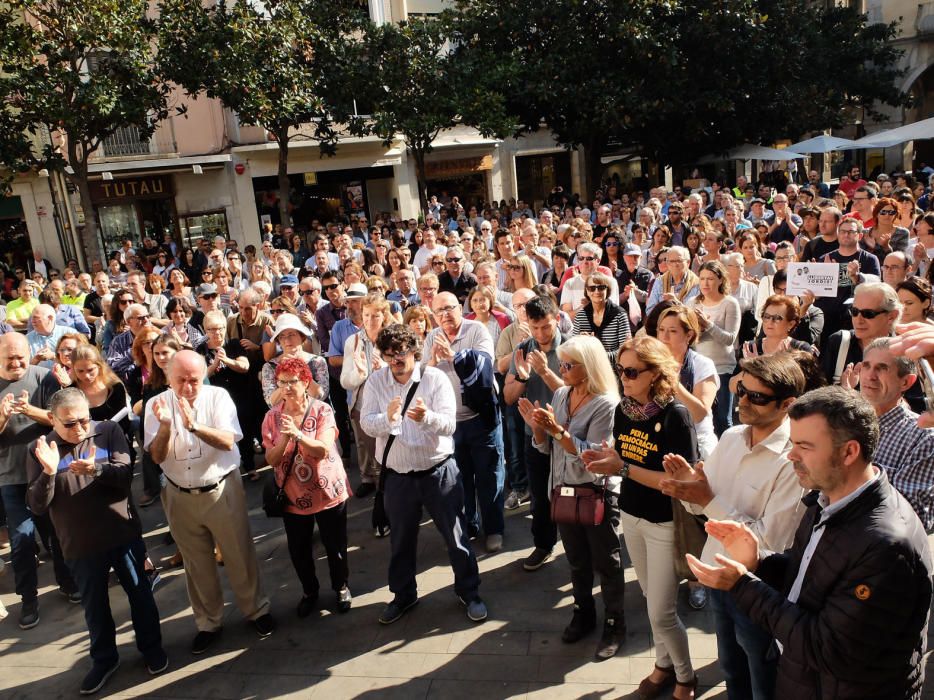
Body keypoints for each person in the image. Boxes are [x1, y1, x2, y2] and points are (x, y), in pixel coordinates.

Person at [689, 386, 933, 700]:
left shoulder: (887, 547)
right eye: (792, 443)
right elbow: (811, 571)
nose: (791, 455)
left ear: (848, 452)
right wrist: (760, 561)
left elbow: (824, 647)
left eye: (804, 446)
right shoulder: (827, 497)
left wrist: (742, 585)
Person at [661, 353, 807, 700]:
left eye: (757, 397)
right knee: (731, 666)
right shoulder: (731, 437)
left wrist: (706, 497)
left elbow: (769, 540)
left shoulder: (794, 460)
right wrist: (686, 489)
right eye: (742, 390)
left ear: (788, 404)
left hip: (758, 588)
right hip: (717, 576)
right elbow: (702, 504)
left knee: (763, 672)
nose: (742, 400)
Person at [26, 388, 167, 695]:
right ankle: (104, 660)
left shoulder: (107, 431)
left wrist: (97, 469)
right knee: (95, 607)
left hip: (123, 535)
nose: (80, 429)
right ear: (52, 419)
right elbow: (37, 505)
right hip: (79, 545)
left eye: (84, 420)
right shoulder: (40, 449)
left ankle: (152, 649)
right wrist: (49, 473)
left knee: (141, 595)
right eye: (70, 423)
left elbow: (125, 474)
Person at [582, 336, 699, 699]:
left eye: (632, 371)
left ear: (655, 372)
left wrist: (624, 468)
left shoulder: (675, 415)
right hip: (631, 516)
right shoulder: (624, 410)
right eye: (621, 370)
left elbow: (679, 481)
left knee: (662, 612)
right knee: (651, 600)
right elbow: (624, 456)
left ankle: (686, 677)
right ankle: (663, 665)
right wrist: (608, 459)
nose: (624, 378)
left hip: (664, 522)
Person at [144, 350, 275, 654]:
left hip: (221, 488)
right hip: (179, 494)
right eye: (181, 381)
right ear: (168, 377)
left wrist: (194, 427)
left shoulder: (217, 397)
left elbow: (229, 440)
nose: (188, 387)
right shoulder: (155, 405)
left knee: (239, 553)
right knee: (196, 563)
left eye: (194, 380)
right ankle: (208, 622)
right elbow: (157, 456)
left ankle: (256, 610)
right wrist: (166, 426)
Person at [359, 324, 487, 624]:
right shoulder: (376, 381)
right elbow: (366, 424)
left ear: (414, 352)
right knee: (401, 540)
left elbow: (450, 425)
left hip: (437, 472)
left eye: (401, 354)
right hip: (398, 476)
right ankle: (403, 595)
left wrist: (426, 417)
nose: (395, 361)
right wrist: (388, 419)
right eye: (389, 355)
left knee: (456, 537)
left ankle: (470, 592)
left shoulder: (435, 378)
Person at [518, 336, 624, 660]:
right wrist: (537, 427)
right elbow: (544, 448)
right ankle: (582, 612)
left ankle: (613, 622)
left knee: (606, 561)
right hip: (563, 490)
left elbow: (591, 456)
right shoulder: (562, 394)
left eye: (567, 364)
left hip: (595, 492)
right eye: (560, 363)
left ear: (587, 368)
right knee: (576, 560)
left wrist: (555, 431)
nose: (560, 369)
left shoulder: (606, 404)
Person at [262, 357, 351, 618]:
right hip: (292, 494)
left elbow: (322, 449)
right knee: (299, 550)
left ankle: (341, 586)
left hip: (327, 491)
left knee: (334, 545)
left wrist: (299, 435)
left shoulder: (321, 410)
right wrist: (286, 439)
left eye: (292, 382)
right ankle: (309, 591)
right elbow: (270, 459)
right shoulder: (272, 417)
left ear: (305, 382)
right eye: (282, 383)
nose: (287, 388)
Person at [0, 332, 74, 629]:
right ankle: (28, 597)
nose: (17, 363)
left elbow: (62, 418)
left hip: (45, 470)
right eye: (10, 359)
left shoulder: (45, 377)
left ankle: (68, 582)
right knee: (21, 539)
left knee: (55, 533)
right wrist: (2, 417)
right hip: (10, 476)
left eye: (21, 356)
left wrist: (30, 410)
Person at [424, 292, 505, 551]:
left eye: (449, 309)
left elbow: (484, 365)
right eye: (439, 312)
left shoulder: (476, 329)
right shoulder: (430, 337)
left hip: (481, 419)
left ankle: (494, 529)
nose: (445, 315)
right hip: (450, 424)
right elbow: (423, 377)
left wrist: (452, 357)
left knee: (489, 476)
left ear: (460, 308)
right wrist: (433, 360)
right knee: (460, 479)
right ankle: (470, 524)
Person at [504, 294, 565, 571]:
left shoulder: (574, 347)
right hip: (536, 437)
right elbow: (508, 396)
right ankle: (543, 544)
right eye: (535, 327)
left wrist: (546, 373)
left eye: (546, 327)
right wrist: (523, 376)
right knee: (540, 496)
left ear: (558, 319)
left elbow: (583, 395)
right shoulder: (523, 349)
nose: (541, 334)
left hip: (568, 436)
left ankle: (581, 548)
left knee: (576, 494)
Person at [858, 338, 934, 530]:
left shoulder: (923, 437)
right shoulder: (841, 423)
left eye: (882, 368)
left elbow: (909, 517)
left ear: (906, 382)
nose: (870, 376)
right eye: (866, 366)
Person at [339, 294, 393, 498]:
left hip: (389, 406)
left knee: (389, 452)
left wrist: (386, 368)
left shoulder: (392, 337)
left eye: (375, 315)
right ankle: (373, 485)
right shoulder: (352, 341)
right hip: (362, 406)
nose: (370, 320)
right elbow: (345, 381)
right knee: (369, 451)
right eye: (367, 314)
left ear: (384, 316)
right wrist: (359, 374)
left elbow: (406, 373)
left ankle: (389, 492)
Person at [655, 305, 719, 460]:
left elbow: (699, 414)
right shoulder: (651, 363)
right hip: (658, 441)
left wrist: (674, 383)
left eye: (672, 331)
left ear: (689, 335)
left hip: (695, 444)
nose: (664, 337)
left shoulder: (703, 364)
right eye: (661, 330)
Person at [688, 261, 741, 436]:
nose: (705, 283)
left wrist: (708, 324)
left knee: (722, 419)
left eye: (710, 278)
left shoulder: (730, 303)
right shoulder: (692, 303)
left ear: (720, 280)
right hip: (698, 368)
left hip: (722, 368)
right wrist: (699, 330)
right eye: (702, 278)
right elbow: (688, 338)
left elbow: (730, 339)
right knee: (698, 417)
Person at [571, 272, 631, 356]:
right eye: (592, 288)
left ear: (607, 290)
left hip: (612, 368)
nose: (597, 291)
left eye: (601, 287)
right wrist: (581, 342)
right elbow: (573, 349)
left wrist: (597, 353)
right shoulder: (581, 316)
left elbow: (625, 351)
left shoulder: (619, 315)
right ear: (587, 291)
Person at [645, 246, 700, 314]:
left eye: (679, 261)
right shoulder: (660, 281)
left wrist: (676, 303)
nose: (675, 264)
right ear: (667, 263)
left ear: (688, 263)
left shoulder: (697, 284)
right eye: (672, 261)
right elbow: (649, 310)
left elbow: (697, 314)